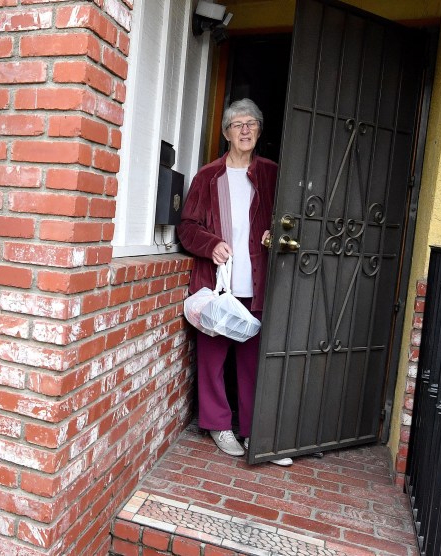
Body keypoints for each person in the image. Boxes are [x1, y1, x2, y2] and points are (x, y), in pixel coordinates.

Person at [177, 98, 292, 467]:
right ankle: (218, 424)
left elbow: (290, 219)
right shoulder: (208, 176)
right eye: (237, 124)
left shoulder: (273, 173)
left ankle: (253, 431)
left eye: (252, 123)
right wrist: (211, 245)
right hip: (218, 283)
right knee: (212, 357)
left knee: (253, 360)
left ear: (259, 130)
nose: (245, 130)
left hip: (257, 281)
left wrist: (275, 235)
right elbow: (187, 228)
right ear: (226, 132)